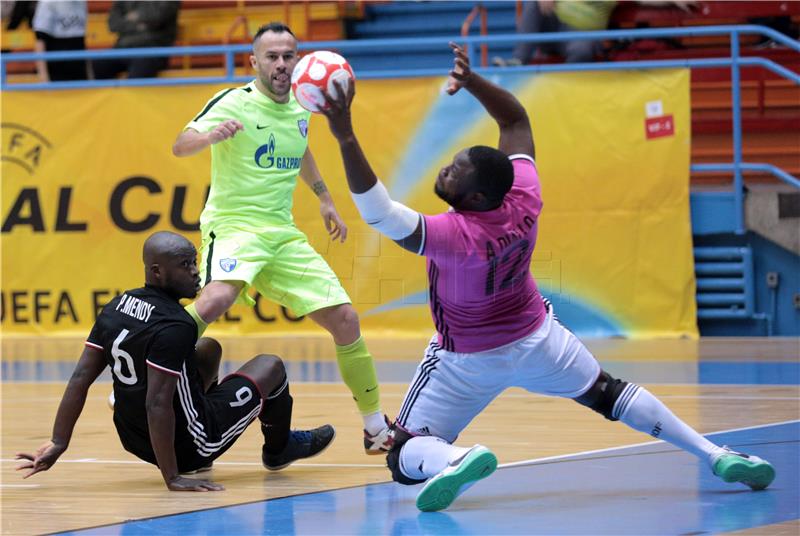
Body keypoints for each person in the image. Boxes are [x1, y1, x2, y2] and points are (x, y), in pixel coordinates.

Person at [318, 43, 777, 512]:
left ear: (475, 198)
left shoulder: (455, 234)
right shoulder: (524, 196)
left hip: (466, 361)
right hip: (538, 338)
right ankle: (717, 454)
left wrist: (345, 134)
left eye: (454, 172)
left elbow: (379, 214)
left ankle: (459, 457)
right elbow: (515, 122)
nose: (445, 169)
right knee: (607, 392)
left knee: (399, 453)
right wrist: (473, 81)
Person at [171, 22, 392, 455]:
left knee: (346, 319)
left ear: (298, 59)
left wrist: (325, 198)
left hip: (282, 233)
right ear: (254, 61)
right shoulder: (233, 101)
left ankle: (374, 428)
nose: (281, 64)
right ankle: (150, 370)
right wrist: (209, 137)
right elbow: (180, 145)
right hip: (234, 224)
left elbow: (301, 146)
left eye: (288, 55)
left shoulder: (302, 102)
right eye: (271, 56)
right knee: (215, 299)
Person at [16, 231, 335, 491]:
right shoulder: (175, 324)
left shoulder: (117, 305)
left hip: (132, 437)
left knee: (208, 348)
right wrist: (173, 477)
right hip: (188, 445)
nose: (196, 271)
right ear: (157, 271)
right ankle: (278, 449)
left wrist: (59, 441)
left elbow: (80, 377)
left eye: (194, 262)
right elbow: (157, 404)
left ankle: (196, 450)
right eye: (185, 265)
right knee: (271, 365)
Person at [93, 0, 178, 79]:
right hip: (123, 47)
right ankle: (110, 95)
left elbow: (157, 17)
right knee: (98, 64)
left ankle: (132, 95)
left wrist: (130, 19)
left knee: (140, 69)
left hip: (153, 49)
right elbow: (113, 24)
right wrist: (140, 25)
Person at [32, 0, 89, 82]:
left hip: (80, 76)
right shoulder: (47, 3)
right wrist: (44, 81)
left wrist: (90, 79)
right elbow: (40, 44)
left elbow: (82, 45)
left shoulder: (81, 2)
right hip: (56, 75)